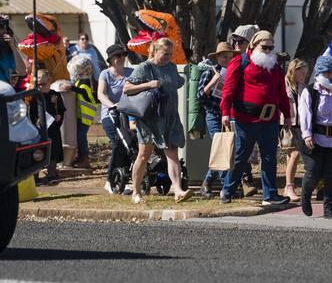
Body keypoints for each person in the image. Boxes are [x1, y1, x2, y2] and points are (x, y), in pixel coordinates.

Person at [220, 30, 293, 206]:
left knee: (269, 157)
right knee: (241, 156)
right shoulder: (240, 62)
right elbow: (228, 89)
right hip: (246, 118)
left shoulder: (275, 66)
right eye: (265, 47)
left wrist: (287, 115)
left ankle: (270, 194)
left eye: (271, 47)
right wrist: (224, 112)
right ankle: (228, 190)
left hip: (270, 119)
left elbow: (281, 92)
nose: (268, 50)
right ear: (254, 45)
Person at [123, 38, 191, 204]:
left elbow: (177, 82)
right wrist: (149, 84)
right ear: (155, 51)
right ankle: (136, 192)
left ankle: (178, 190)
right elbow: (127, 88)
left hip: (170, 118)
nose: (168, 57)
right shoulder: (144, 67)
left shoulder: (172, 67)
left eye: (170, 54)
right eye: (165, 54)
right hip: (150, 120)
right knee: (143, 155)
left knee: (173, 154)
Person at [299, 54, 332, 219]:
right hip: (315, 138)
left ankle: (329, 209)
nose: (331, 76)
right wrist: (307, 135)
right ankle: (305, 195)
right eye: (327, 73)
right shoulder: (309, 91)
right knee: (314, 172)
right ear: (319, 74)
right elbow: (305, 114)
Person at [196, 41, 236, 196]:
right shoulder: (210, 72)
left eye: (229, 57)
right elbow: (199, 96)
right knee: (221, 147)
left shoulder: (233, 73)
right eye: (224, 57)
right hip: (213, 114)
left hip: (228, 114)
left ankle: (207, 183)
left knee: (226, 149)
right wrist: (214, 82)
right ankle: (227, 186)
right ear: (218, 58)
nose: (227, 59)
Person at [97, 44, 130, 195]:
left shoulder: (132, 72)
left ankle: (123, 179)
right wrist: (112, 106)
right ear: (110, 59)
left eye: (123, 55)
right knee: (118, 142)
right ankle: (110, 180)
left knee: (130, 145)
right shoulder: (105, 74)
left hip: (129, 115)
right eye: (117, 56)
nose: (121, 58)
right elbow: (101, 94)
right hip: (111, 115)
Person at [283, 57, 310, 202]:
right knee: (294, 154)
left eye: (305, 73)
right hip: (287, 124)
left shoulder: (302, 87)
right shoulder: (284, 85)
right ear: (294, 71)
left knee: (292, 157)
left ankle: (289, 186)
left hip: (300, 125)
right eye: (302, 72)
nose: (304, 75)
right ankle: (289, 186)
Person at [68, 53, 98, 168]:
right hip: (80, 116)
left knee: (81, 137)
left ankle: (85, 159)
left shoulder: (85, 84)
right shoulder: (77, 82)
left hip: (85, 118)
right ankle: (80, 156)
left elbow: (83, 92)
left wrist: (71, 87)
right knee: (79, 137)